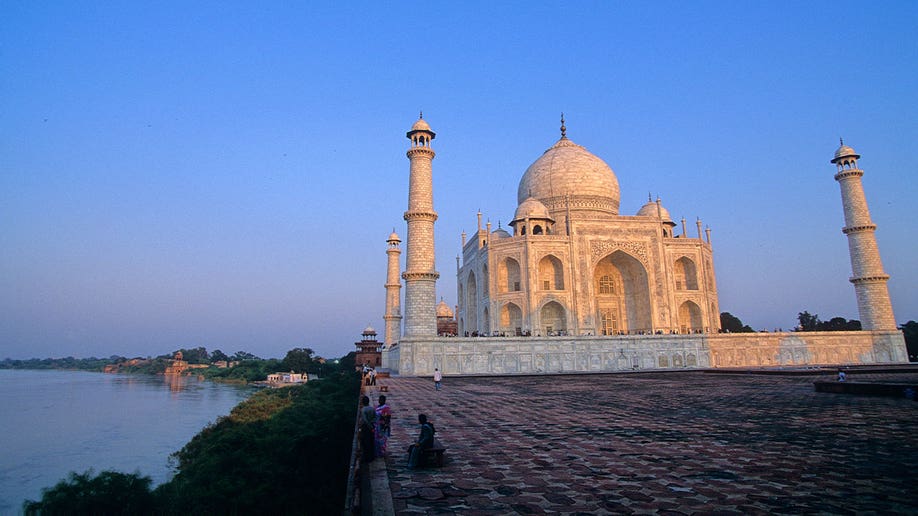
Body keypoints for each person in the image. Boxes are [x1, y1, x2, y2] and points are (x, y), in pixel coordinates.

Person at [359, 395, 376, 462]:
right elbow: (375, 418)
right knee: (371, 441)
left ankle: (366, 458)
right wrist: (372, 425)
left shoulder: (363, 410)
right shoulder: (372, 408)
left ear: (363, 402)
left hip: (366, 427)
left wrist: (369, 426)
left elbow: (365, 420)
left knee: (365, 442)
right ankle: (371, 457)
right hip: (372, 425)